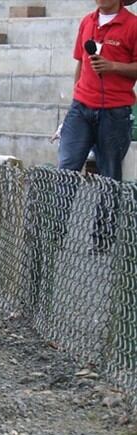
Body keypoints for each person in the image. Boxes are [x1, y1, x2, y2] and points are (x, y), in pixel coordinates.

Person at [57, 0, 137, 252]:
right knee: (66, 169)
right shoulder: (86, 21)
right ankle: (54, 233)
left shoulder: (133, 25)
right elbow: (80, 62)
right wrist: (75, 98)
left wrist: (113, 66)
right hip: (81, 108)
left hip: (115, 111)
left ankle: (102, 240)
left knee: (109, 174)